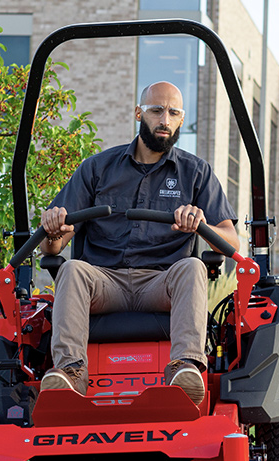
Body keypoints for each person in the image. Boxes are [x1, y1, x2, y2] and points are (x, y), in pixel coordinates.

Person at [38, 81, 238, 404]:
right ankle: (72, 374)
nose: (165, 120)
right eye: (157, 110)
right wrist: (51, 229)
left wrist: (200, 224)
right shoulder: (98, 169)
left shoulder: (195, 173)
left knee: (192, 267)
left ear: (181, 120)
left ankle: (185, 368)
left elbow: (231, 242)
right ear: (139, 113)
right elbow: (52, 248)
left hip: (162, 282)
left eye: (174, 113)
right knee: (72, 270)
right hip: (104, 282)